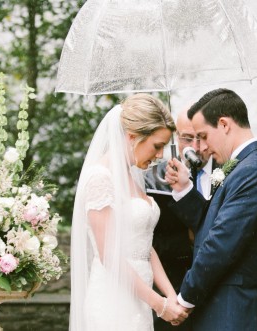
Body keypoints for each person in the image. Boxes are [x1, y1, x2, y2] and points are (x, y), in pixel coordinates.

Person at [165, 88, 257, 330]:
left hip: (238, 312)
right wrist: (184, 189)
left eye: (203, 136)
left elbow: (219, 244)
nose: (199, 147)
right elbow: (211, 224)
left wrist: (184, 299)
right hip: (224, 309)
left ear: (224, 124)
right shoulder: (242, 167)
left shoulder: (253, 172)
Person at [70, 94, 189, 330]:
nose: (159, 156)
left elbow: (145, 246)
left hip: (139, 300)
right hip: (113, 300)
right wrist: (159, 304)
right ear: (132, 136)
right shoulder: (100, 178)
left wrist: (170, 295)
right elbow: (109, 256)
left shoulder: (133, 177)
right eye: (157, 146)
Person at [145, 109, 211, 331]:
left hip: (215, 292)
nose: (195, 144)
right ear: (176, 139)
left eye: (200, 136)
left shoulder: (226, 173)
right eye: (187, 137)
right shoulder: (153, 178)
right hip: (171, 287)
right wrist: (188, 239)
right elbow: (146, 242)